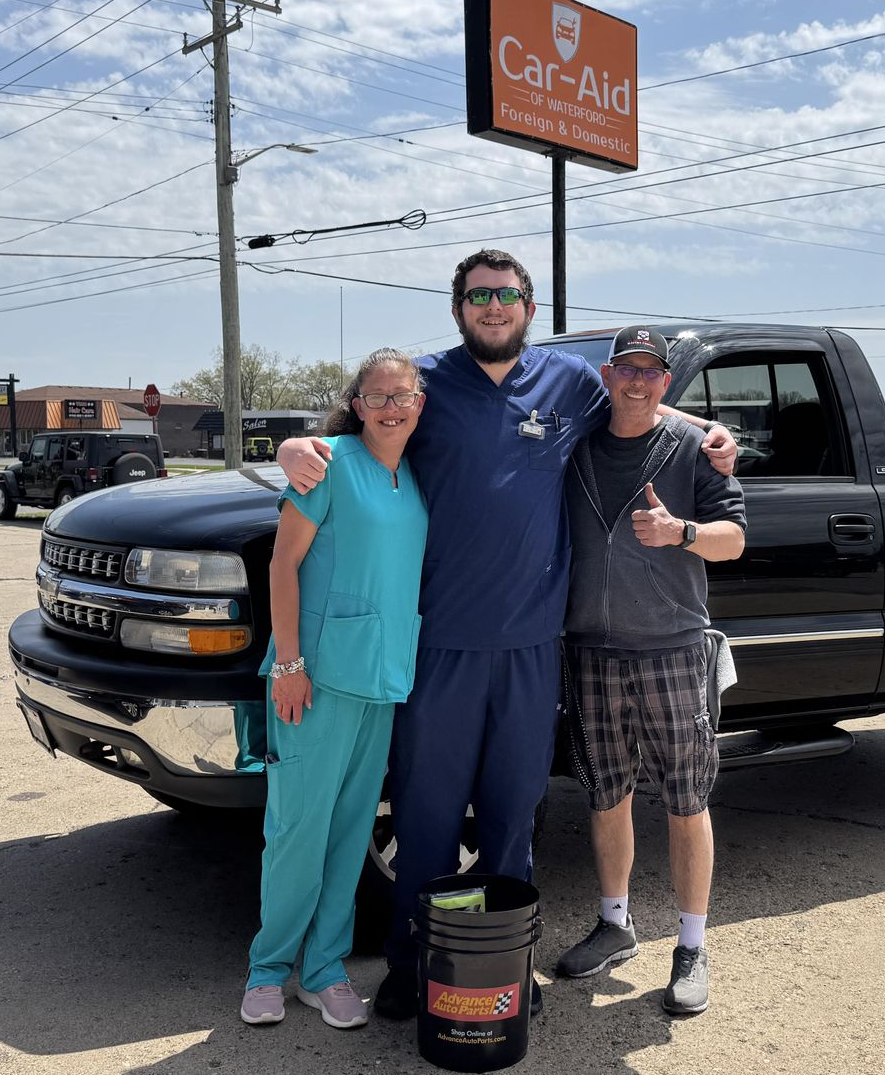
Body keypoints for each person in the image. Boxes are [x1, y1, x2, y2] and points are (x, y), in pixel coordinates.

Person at [277, 250, 736, 1020]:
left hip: (531, 646)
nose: (494, 305)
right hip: (439, 644)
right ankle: (412, 965)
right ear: (458, 307)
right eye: (479, 295)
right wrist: (292, 447)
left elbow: (637, 400)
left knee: (511, 819)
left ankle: (504, 967)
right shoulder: (424, 382)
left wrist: (710, 429)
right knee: (426, 816)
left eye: (508, 294)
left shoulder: (567, 382)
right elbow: (351, 433)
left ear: (529, 305)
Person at [554, 326, 746, 1015]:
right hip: (591, 650)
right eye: (626, 369)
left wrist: (682, 532)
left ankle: (691, 945)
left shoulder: (694, 451)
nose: (637, 381)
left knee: (686, 800)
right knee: (606, 794)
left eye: (650, 371)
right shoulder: (574, 441)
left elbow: (733, 540)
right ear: (607, 376)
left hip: (672, 647)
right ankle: (615, 925)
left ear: (665, 381)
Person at [239, 348, 428, 1029]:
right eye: (376, 397)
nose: (390, 408)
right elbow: (282, 564)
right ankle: (268, 969)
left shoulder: (416, 474)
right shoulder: (329, 463)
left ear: (419, 403)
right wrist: (288, 664)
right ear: (356, 405)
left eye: (401, 396)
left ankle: (323, 970)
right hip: (314, 677)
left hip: (380, 677)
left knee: (350, 830)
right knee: (297, 828)